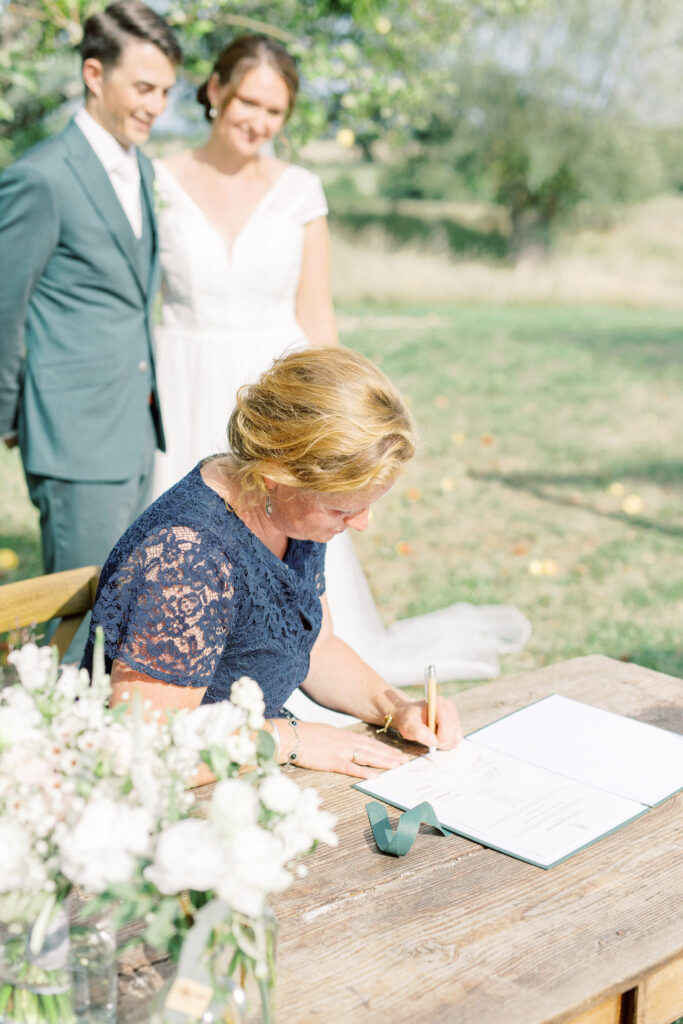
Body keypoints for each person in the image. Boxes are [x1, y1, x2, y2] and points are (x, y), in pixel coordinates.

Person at [151, 33, 530, 698]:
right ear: (214, 91)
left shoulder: (299, 190)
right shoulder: (158, 181)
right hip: (183, 372)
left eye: (275, 112)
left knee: (292, 517)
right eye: (247, 101)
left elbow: (317, 316)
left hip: (281, 385)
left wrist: (335, 419)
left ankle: (294, 654)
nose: (258, 122)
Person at [83, 348, 463, 778]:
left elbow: (316, 648)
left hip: (249, 767)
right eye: (343, 509)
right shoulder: (187, 558)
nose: (361, 523)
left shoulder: (290, 513)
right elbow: (143, 749)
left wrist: (396, 708)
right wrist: (288, 740)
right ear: (277, 476)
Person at [0, 2, 182, 605]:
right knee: (79, 625)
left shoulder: (145, 169)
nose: (156, 106)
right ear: (95, 74)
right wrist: (9, 418)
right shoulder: (43, 176)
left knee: (126, 613)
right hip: (73, 439)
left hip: (134, 428)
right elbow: (4, 309)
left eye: (166, 91)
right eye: (144, 88)